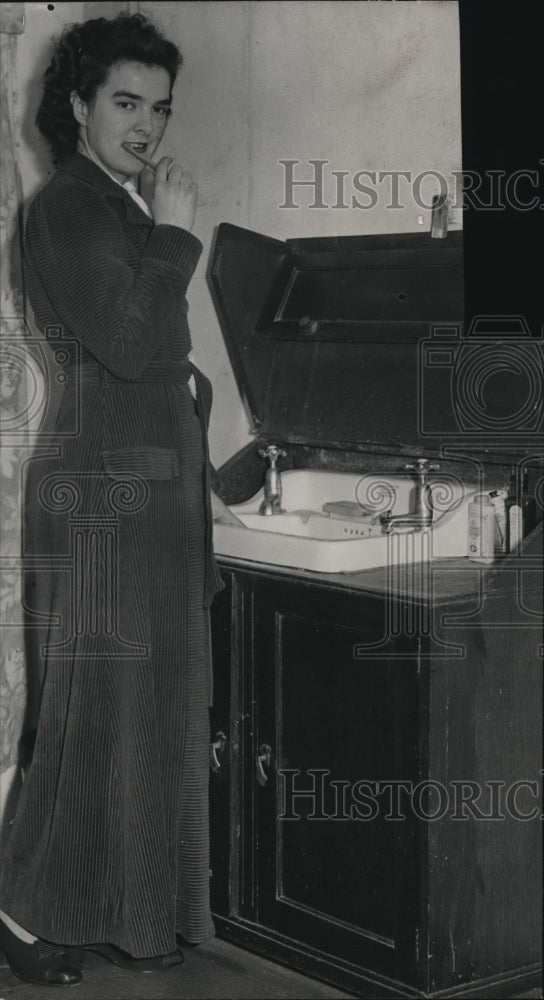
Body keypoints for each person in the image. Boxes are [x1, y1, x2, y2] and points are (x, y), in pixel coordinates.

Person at [0, 12, 242, 987]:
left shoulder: (120, 208)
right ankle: (16, 912)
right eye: (126, 103)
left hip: (143, 497)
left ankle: (102, 912)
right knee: (84, 716)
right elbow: (136, 344)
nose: (147, 126)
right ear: (78, 105)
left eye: (160, 108)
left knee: (137, 717)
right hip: (102, 498)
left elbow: (155, 368)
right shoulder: (67, 204)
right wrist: (181, 233)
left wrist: (211, 479)